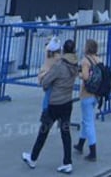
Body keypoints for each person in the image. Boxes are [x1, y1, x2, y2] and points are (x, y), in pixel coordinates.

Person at [23, 39, 79, 173]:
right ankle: (67, 162)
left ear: (63, 50)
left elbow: (46, 82)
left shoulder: (60, 65)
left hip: (55, 103)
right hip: (67, 102)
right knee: (65, 132)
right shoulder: (75, 65)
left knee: (43, 131)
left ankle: (33, 158)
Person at [74, 39, 102, 162]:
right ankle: (80, 144)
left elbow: (85, 77)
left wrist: (79, 74)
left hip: (86, 94)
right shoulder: (98, 59)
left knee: (89, 122)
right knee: (86, 120)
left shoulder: (85, 61)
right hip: (96, 95)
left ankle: (93, 151)